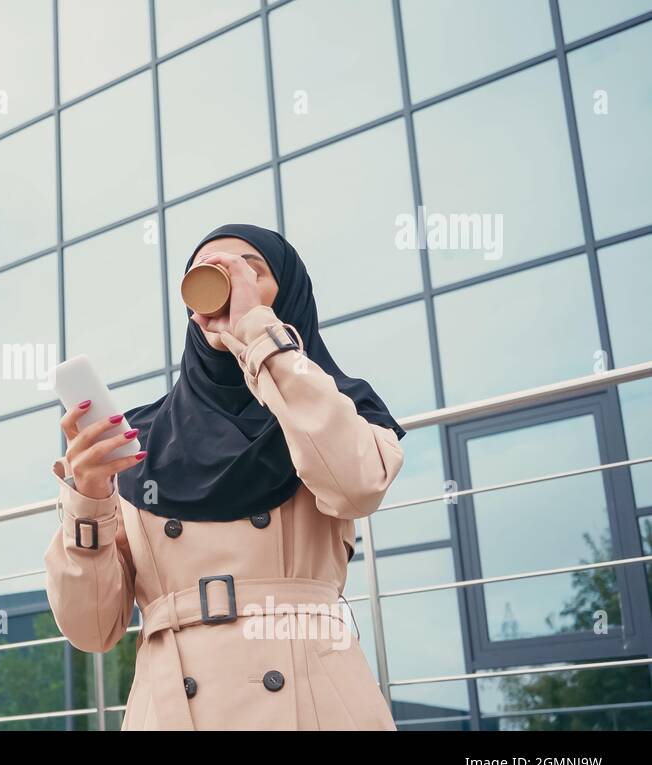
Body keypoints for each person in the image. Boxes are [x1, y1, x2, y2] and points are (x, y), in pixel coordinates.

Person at [44, 223, 406, 730]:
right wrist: (88, 500)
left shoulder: (338, 403)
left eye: (250, 271)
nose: (226, 283)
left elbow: (357, 485)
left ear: (288, 294)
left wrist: (261, 337)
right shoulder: (141, 438)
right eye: (209, 272)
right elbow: (92, 629)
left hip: (314, 703)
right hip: (173, 706)